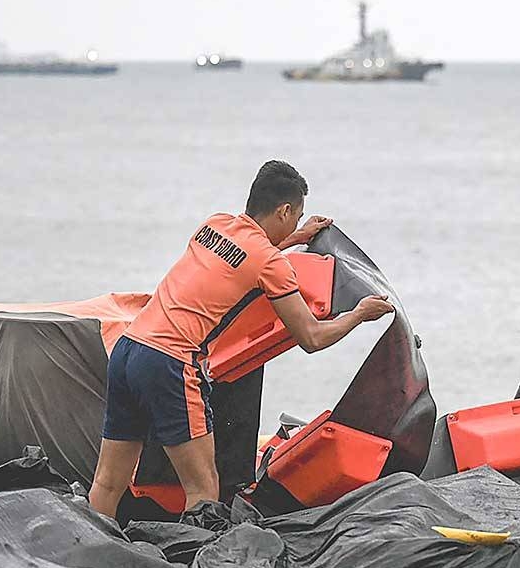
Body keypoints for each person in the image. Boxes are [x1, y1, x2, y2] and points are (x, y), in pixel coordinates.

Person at [88, 160, 394, 519]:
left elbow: (243, 255)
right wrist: (358, 315)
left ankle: (91, 553)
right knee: (203, 489)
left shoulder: (213, 225)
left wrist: (294, 237)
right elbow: (311, 337)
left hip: (128, 349)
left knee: (108, 483)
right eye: (296, 216)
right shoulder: (270, 263)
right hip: (168, 363)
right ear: (284, 210)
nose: (296, 223)